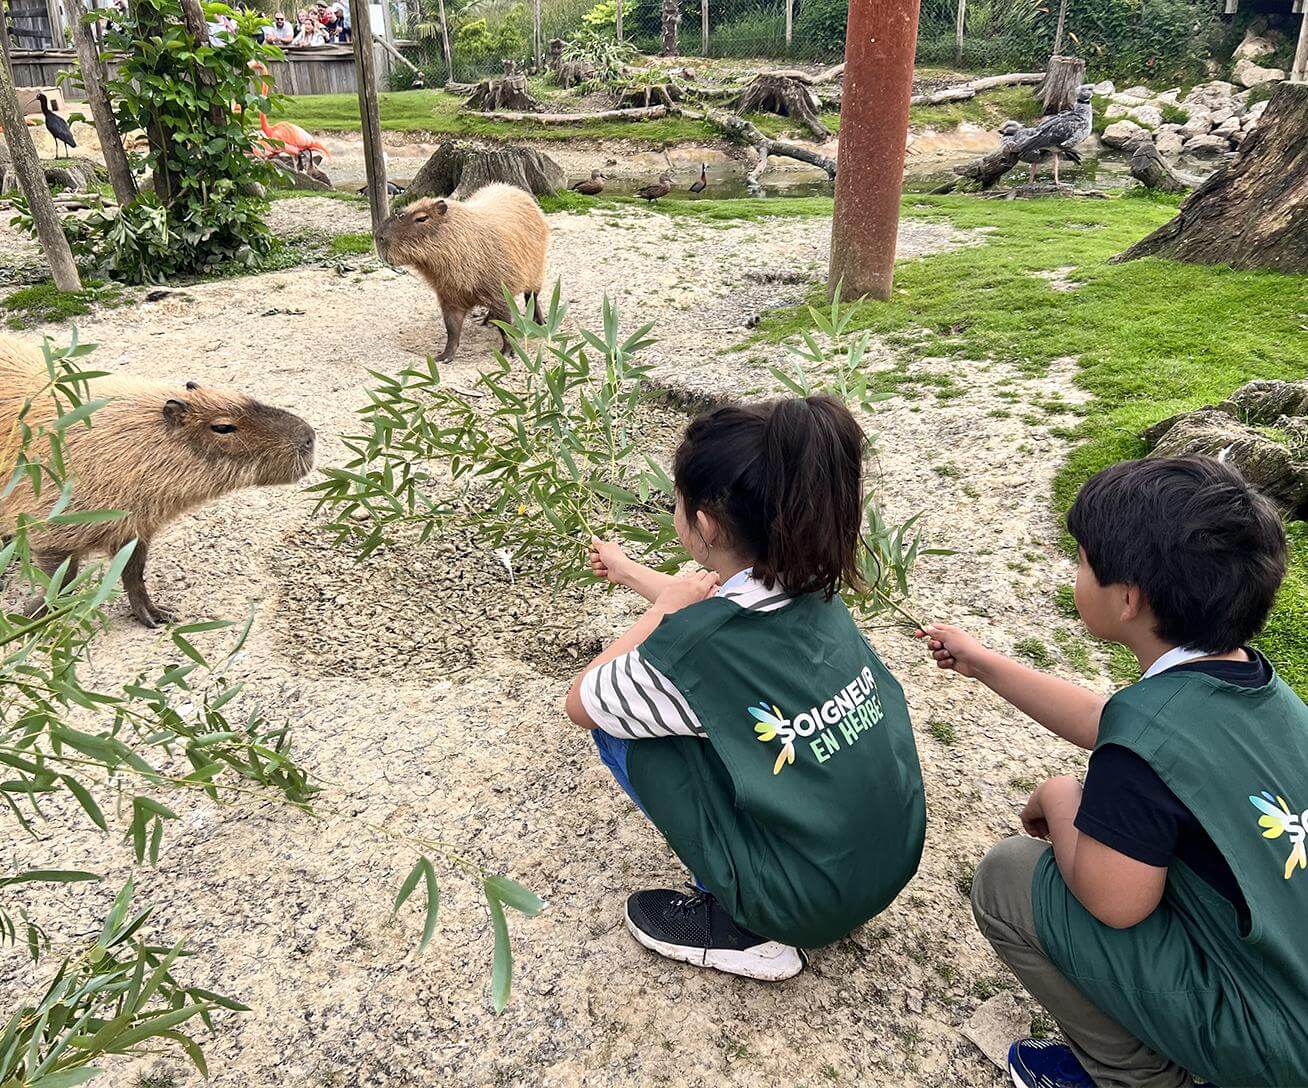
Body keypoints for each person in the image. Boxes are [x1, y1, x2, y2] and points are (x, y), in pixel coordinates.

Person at [923, 456, 1307, 1088]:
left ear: (1130, 598)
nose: (1075, 574)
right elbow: (1120, 721)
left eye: (1082, 562)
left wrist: (1059, 794)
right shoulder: (1260, 692)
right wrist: (982, 662)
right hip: (1288, 983)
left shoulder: (1141, 751)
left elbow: (1116, 903)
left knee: (1011, 876)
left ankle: (1135, 1076)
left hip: (1277, 1049)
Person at [564, 397, 926, 981]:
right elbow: (712, 601)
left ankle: (752, 928)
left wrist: (660, 610)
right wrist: (630, 571)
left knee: (620, 732)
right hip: (883, 861)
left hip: (804, 906)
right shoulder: (810, 583)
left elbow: (583, 700)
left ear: (703, 522)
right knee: (728, 715)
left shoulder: (697, 654)